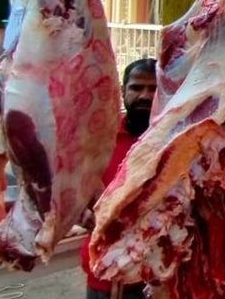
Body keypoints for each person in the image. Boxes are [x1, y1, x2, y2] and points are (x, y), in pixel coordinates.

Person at [80, 58, 157, 299]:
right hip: (104, 271)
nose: (145, 96)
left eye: (153, 88)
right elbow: (76, 191)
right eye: (136, 88)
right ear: (123, 91)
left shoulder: (178, 140)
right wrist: (80, 211)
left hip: (159, 271)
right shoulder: (99, 138)